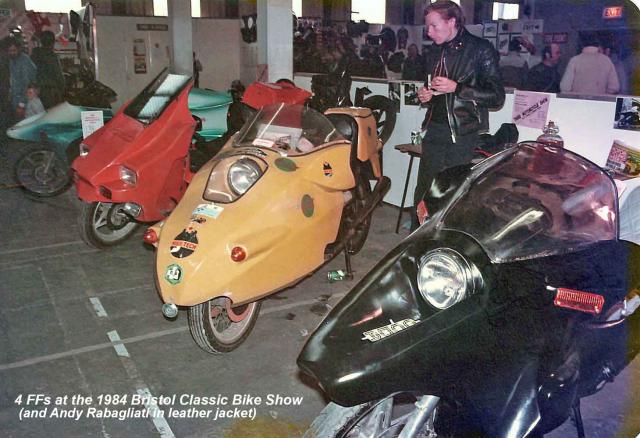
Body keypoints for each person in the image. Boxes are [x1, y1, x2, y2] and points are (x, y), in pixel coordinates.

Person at [412, 0, 505, 230]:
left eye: (434, 26)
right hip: (435, 127)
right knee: (424, 188)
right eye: (428, 27)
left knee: (454, 192)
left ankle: (448, 241)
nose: (429, 32)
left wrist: (458, 88)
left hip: (463, 132)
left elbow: (497, 97)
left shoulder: (480, 49)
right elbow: (436, 90)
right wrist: (427, 95)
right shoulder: (435, 50)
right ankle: (416, 238)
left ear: (451, 21)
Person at [30, 30, 65, 109]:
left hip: (35, 91)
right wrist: (63, 88)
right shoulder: (52, 57)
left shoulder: (33, 56)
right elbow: (58, 75)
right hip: (50, 92)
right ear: (53, 42)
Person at [7, 37, 37, 121]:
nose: (12, 53)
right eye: (9, 51)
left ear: (19, 49)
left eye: (14, 50)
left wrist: (21, 104)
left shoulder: (24, 61)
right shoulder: (11, 60)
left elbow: (27, 84)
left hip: (24, 102)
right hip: (14, 100)